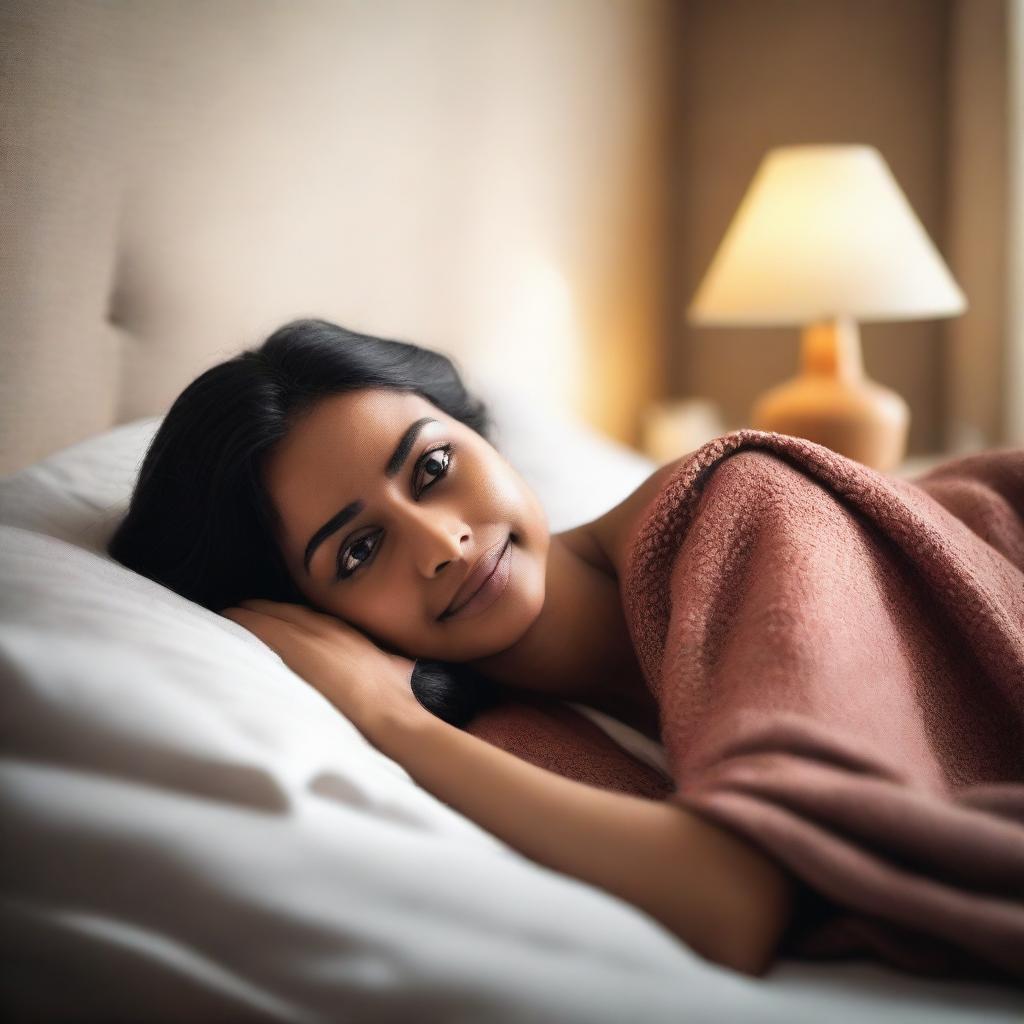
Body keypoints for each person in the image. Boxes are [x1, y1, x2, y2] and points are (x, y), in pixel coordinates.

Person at [108, 318, 796, 978]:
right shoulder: (508, 744)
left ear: (479, 433)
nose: (442, 545)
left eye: (433, 465)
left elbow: (738, 899)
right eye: (360, 551)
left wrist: (392, 720)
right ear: (317, 619)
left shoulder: (742, 507)